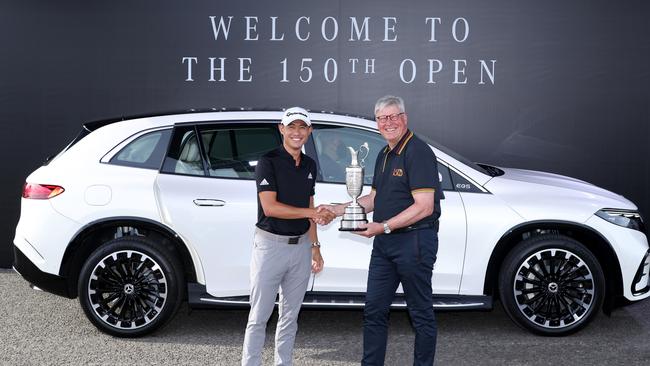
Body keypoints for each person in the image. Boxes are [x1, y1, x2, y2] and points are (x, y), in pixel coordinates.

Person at [326, 96, 443, 366]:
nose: (388, 122)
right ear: (377, 123)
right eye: (382, 118)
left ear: (404, 118)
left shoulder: (418, 151)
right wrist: (337, 210)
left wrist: (384, 226)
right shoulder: (384, 154)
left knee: (420, 314)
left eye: (393, 116)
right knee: (374, 312)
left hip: (414, 242)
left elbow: (424, 207)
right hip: (385, 245)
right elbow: (373, 200)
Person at [242, 107, 336, 366]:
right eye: (291, 127)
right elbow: (271, 207)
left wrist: (315, 246)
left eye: (302, 127)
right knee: (259, 316)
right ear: (281, 129)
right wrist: (314, 212)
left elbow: (309, 202)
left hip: (301, 248)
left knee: (290, 316)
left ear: (309, 132)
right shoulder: (268, 162)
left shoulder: (309, 164)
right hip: (270, 247)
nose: (297, 132)